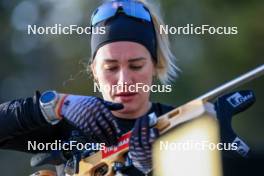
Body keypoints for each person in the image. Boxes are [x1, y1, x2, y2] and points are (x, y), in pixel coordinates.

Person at [0, 0, 179, 175]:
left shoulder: (184, 124)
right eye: (111, 68)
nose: (124, 80)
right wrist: (54, 105)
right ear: (94, 70)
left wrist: (153, 169)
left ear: (155, 65)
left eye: (136, 66)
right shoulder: (67, 126)